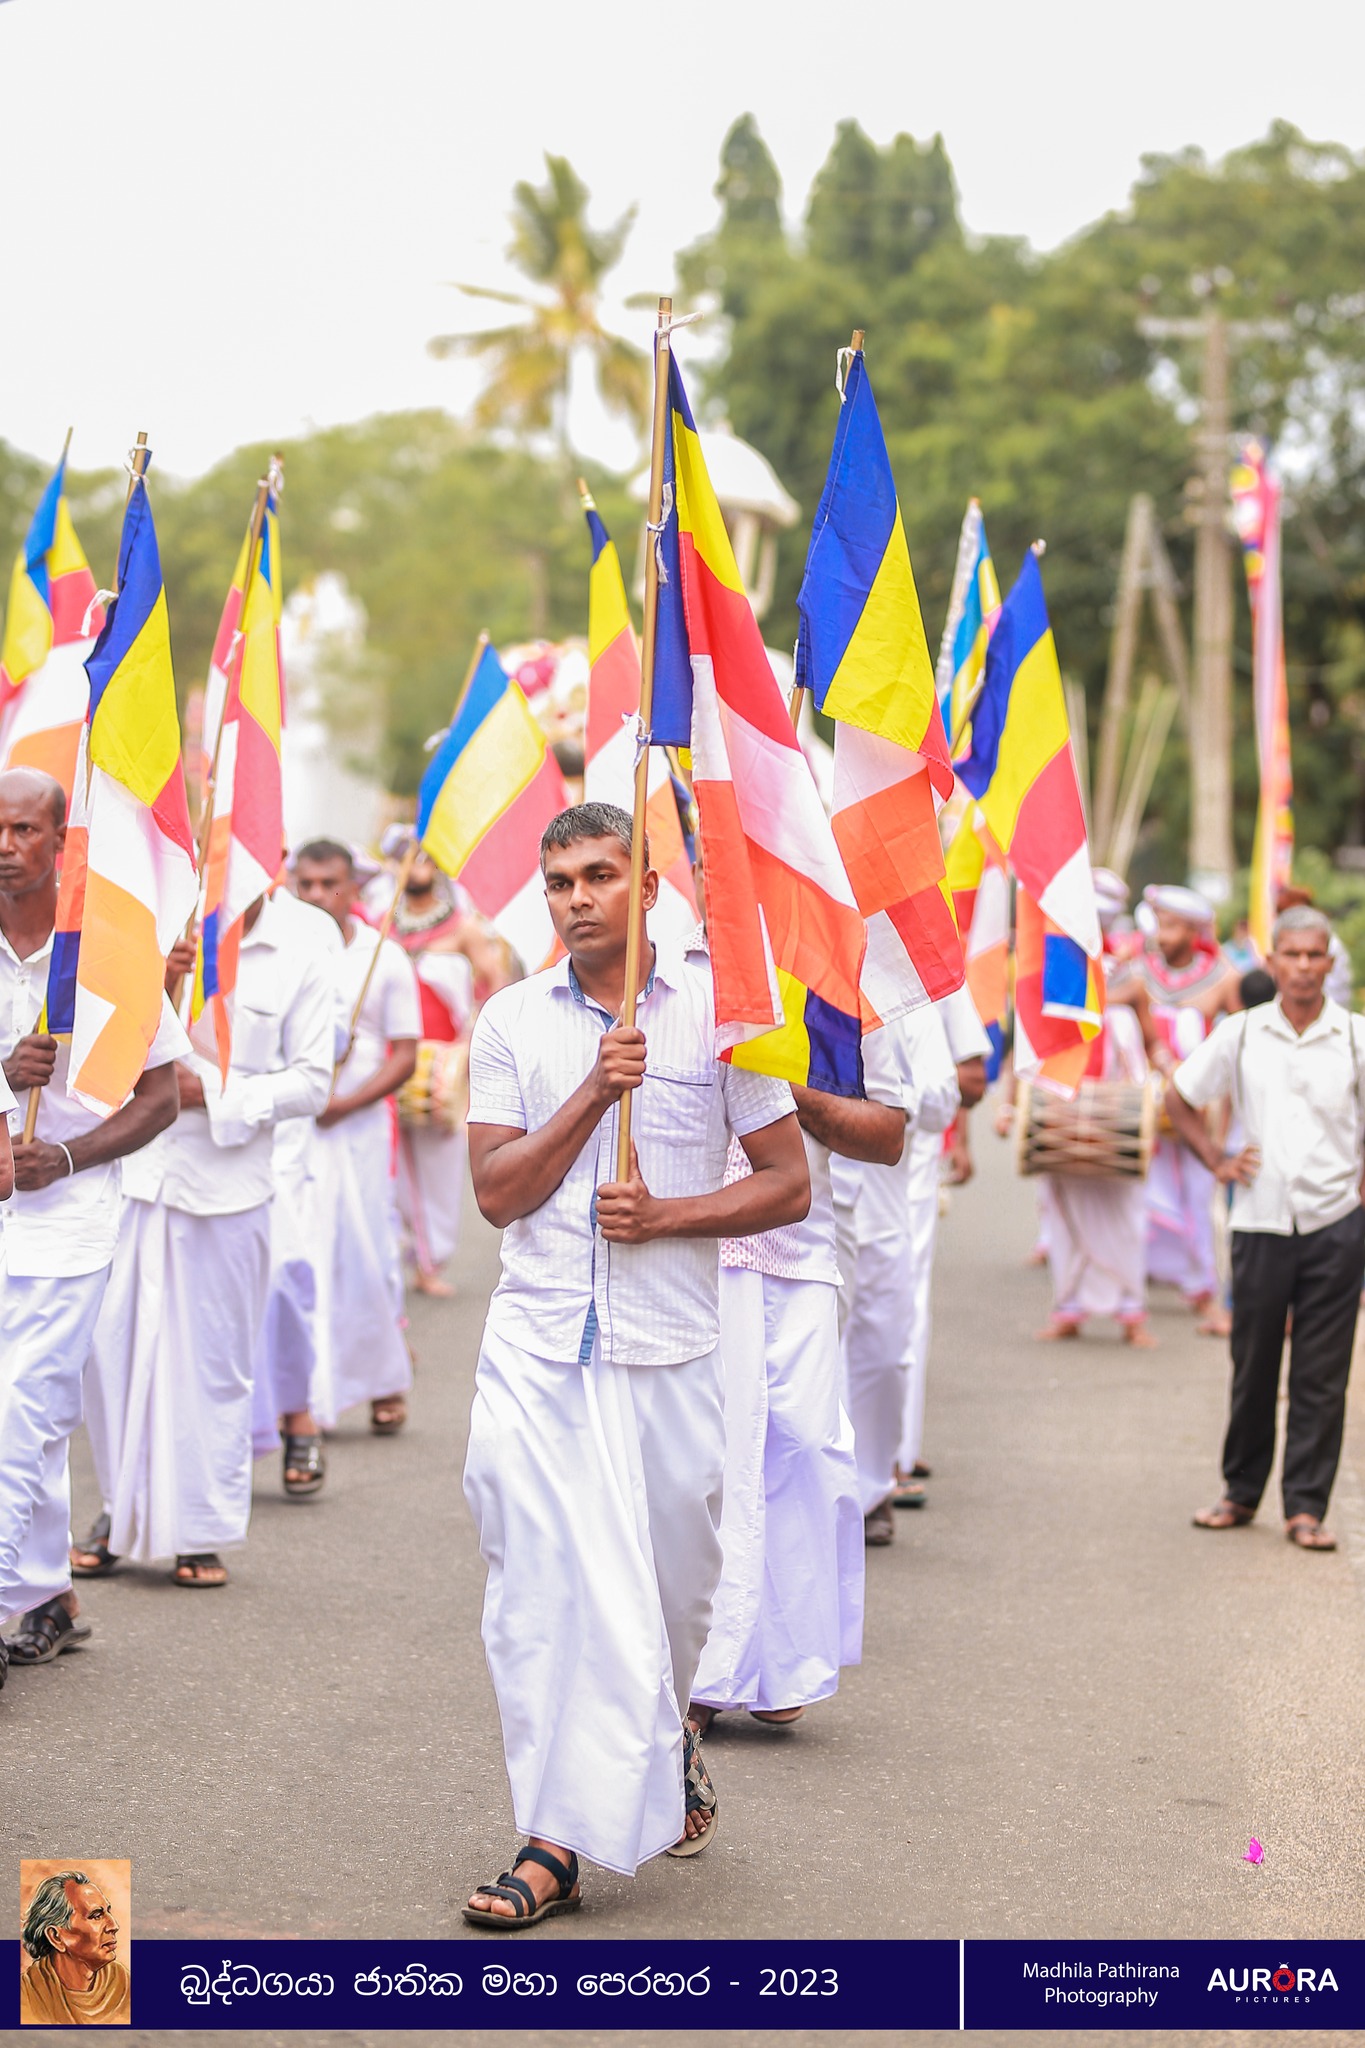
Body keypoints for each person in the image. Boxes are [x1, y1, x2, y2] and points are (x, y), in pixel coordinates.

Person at [461, 803, 809, 1926]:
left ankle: (662, 1738)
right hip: (536, 1348)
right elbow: (497, 1191)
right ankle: (552, 1839)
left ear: (647, 883)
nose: (574, 897)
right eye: (558, 879)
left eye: (599, 874)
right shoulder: (511, 1021)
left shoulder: (724, 1015)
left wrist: (667, 1218)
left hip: (667, 1349)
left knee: (666, 1599)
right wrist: (593, 1092)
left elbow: (786, 1180)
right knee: (540, 1594)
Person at [77, 888, 334, 1587]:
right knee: (114, 1357)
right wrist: (155, 985)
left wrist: (215, 1097)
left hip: (229, 1187)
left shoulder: (305, 938)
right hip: (130, 1174)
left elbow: (313, 1082)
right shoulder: (145, 918)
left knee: (212, 1366)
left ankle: (199, 1528)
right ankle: (117, 1512)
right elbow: (89, 1050)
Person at [689, 936, 908, 1735]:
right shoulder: (671, 970)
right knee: (710, 1457)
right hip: (687, 1252)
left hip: (801, 1251)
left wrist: (783, 1088)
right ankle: (699, 1674)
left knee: (805, 1449)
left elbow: (885, 1135)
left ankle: (782, 1665)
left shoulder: (842, 986)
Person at [0, 768, 181, 1667]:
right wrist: (5, 1075)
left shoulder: (110, 951)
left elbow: (163, 1098)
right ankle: (48, 1595)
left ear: (62, 841)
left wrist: (64, 1155)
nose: (5, 845)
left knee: (15, 1412)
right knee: (22, 1418)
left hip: (68, 1226)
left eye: (25, 829)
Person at [1168, 907, 1365, 1551]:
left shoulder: (1355, 1037)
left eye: (1315, 956)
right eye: (1292, 955)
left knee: (1321, 1374)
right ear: (1272, 962)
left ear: (1330, 965)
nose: (1304, 967)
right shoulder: (1243, 1033)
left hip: (1336, 1224)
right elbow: (1179, 1096)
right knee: (1253, 1363)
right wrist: (1217, 1160)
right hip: (1258, 1223)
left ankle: (1306, 1508)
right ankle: (1240, 1492)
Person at [291, 840, 421, 1439]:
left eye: (329, 884)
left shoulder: (385, 958)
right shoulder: (280, 953)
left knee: (367, 1249)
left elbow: (404, 1056)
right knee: (304, 1250)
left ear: (353, 888)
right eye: (307, 884)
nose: (317, 896)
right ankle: (306, 1391)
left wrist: (346, 1103)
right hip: (297, 1124)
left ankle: (383, 1380)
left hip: (361, 1126)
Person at [832, 1004, 962, 1545]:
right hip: (810, 1207)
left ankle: (874, 1483)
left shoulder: (907, 1001)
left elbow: (944, 1100)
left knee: (886, 1354)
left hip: (886, 1208)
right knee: (810, 1354)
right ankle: (828, 1495)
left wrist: (885, 1092)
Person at [389, 838, 516, 1296]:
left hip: (442, 1063)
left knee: (439, 1167)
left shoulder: (464, 928)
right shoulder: (384, 925)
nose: (417, 865)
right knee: (393, 1165)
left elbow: (497, 983)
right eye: (407, 857)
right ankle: (401, 1253)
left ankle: (430, 1261)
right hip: (391, 1060)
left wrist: (473, 1035)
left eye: (425, 857)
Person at [1035, 868, 1156, 1347]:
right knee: (1063, 1212)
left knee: (1126, 1215)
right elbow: (1039, 1043)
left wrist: (1143, 1106)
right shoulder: (1056, 970)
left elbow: (1141, 1043)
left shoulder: (1129, 981)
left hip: (1114, 1111)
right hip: (1064, 1106)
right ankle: (1069, 1308)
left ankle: (1132, 1313)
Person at [1112, 884, 1232, 1330]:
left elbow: (1238, 1043)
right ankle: (1133, 1292)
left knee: (1199, 1199)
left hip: (1199, 1111)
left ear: (1195, 930)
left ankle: (1204, 1291)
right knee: (1141, 1197)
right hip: (1147, 1107)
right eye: (1160, 924)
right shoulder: (1138, 972)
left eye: (1174, 926)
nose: (1163, 935)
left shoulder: (1223, 977)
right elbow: (1103, 1007)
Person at [891, 986, 990, 1506]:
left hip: (903, 1168)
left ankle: (892, 1458)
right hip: (811, 1172)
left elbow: (969, 1079)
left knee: (897, 1307)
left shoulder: (925, 957)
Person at [19, 1871, 129, 2025]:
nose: (113, 1926)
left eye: (108, 1912)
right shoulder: (26, 1997)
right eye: (96, 1915)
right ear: (56, 1936)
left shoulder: (124, 1985)